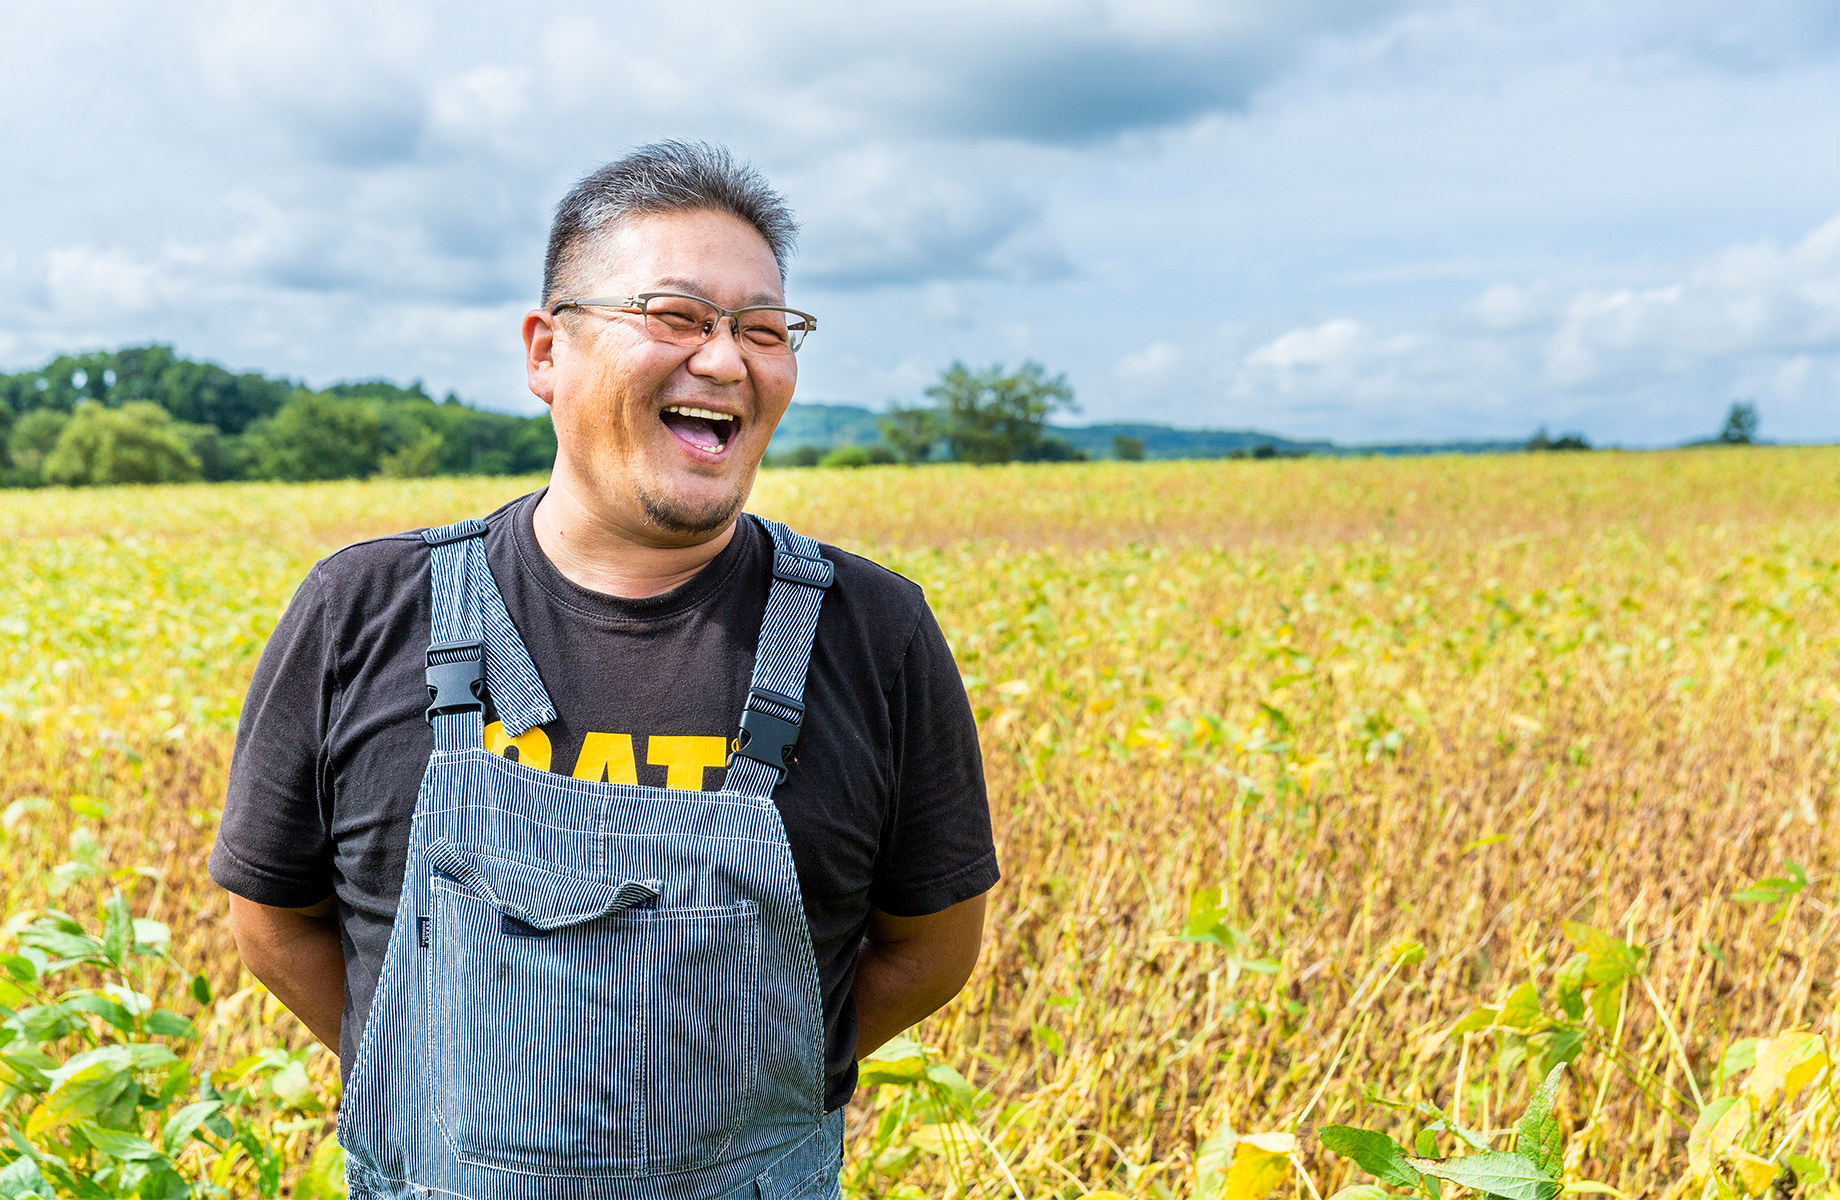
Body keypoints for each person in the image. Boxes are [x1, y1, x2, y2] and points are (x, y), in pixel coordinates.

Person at [210, 140, 998, 1200]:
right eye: (675, 317)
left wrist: (745, 1105)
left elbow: (931, 951)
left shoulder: (873, 631)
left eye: (763, 330)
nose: (726, 361)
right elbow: (272, 924)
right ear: (546, 352)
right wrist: (433, 1093)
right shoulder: (363, 609)